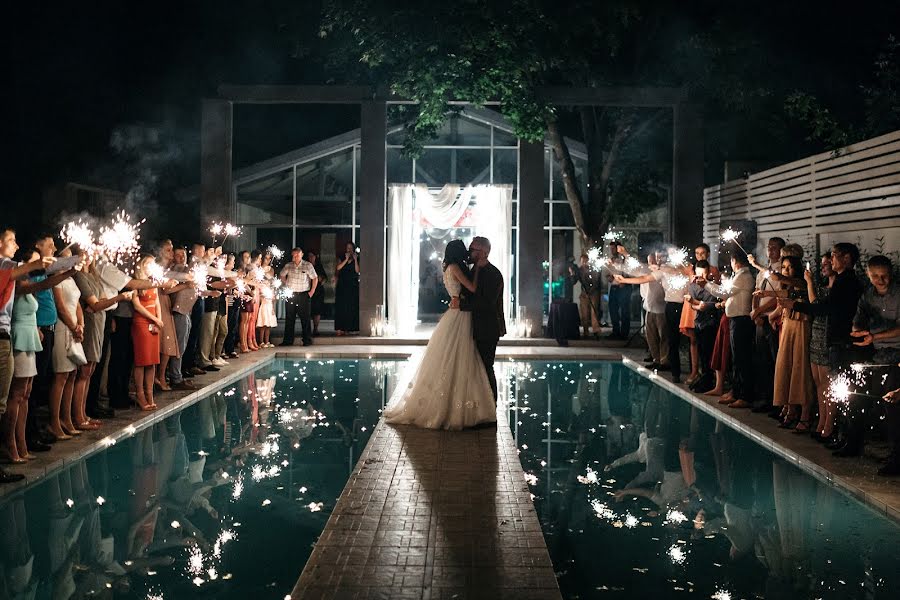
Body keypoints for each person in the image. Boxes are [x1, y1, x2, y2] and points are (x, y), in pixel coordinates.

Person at [383, 239, 497, 429]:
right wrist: (476, 270)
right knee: (460, 358)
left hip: (457, 314)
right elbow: (473, 289)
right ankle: (462, 407)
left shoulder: (449, 267)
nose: (468, 253)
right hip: (460, 315)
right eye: (466, 250)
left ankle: (460, 404)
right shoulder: (456, 267)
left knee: (455, 358)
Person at [842, 255, 900, 463]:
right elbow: (859, 318)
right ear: (868, 274)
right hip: (877, 354)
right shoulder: (868, 296)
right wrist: (857, 330)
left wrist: (874, 336)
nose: (880, 280)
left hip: (896, 356)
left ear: (890, 274)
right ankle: (854, 442)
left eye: (884, 276)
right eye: (875, 275)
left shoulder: (898, 294)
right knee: (859, 396)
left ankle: (896, 456)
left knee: (891, 404)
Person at [756, 255, 815, 430]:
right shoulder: (788, 285)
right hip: (788, 325)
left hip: (801, 326)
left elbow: (799, 288)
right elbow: (785, 294)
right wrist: (766, 293)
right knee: (786, 366)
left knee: (800, 367)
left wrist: (780, 277)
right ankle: (790, 407)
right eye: (784, 267)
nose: (786, 270)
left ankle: (804, 413)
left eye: (789, 267)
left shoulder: (803, 281)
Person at [705, 252, 756, 408]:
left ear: (735, 261)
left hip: (741, 320)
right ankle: (736, 391)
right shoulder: (739, 275)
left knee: (741, 359)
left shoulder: (743, 276)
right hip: (736, 320)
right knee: (737, 359)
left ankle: (744, 396)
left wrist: (705, 284)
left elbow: (724, 292)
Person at [460, 237, 505, 402]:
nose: (470, 253)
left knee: (486, 368)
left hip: (487, 328)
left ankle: (491, 407)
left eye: (473, 250)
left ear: (484, 253)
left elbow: (486, 303)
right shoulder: (474, 271)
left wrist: (462, 304)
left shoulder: (493, 274)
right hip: (476, 327)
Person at [131, 256, 162, 411]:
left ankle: (150, 395)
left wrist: (159, 320)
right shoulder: (136, 282)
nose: (151, 266)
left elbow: (157, 302)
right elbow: (136, 305)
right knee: (142, 360)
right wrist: (153, 319)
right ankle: (140, 394)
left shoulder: (153, 281)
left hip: (154, 322)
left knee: (152, 361)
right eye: (148, 263)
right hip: (142, 322)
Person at [279, 248, 318, 346]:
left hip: (304, 294)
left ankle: (307, 340)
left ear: (301, 255)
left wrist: (312, 291)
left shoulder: (307, 265)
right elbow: (282, 275)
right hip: (291, 294)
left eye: (296, 255)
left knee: (305, 318)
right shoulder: (289, 265)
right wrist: (286, 284)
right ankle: (287, 341)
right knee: (289, 318)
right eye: (293, 255)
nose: (294, 257)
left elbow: (315, 278)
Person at [570, 254, 601, 339]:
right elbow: (574, 282)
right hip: (584, 294)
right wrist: (572, 274)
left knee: (594, 312)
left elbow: (596, 281)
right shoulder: (579, 270)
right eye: (582, 261)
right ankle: (585, 331)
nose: (584, 263)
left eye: (585, 261)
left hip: (593, 293)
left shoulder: (592, 269)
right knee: (584, 313)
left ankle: (596, 331)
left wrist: (590, 291)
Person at [606, 241, 632, 340]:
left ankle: (624, 333)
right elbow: (608, 272)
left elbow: (630, 271)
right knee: (613, 310)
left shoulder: (625, 259)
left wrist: (625, 280)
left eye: (613, 248)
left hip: (624, 288)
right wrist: (609, 277)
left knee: (624, 310)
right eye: (611, 249)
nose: (612, 251)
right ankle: (615, 332)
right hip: (614, 287)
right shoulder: (611, 260)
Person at [334, 241, 360, 335]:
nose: (348, 249)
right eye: (347, 247)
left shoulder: (356, 258)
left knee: (351, 306)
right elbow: (338, 268)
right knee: (341, 306)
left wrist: (356, 260)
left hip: (352, 285)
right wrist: (346, 259)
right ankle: (340, 328)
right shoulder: (342, 257)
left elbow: (357, 271)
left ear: (353, 248)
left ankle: (350, 327)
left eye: (350, 247)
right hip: (342, 284)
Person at [307, 250, 327, 336]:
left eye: (312, 256)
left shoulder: (319, 266)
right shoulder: (306, 266)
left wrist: (321, 279)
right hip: (308, 290)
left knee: (317, 311)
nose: (311, 258)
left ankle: (315, 329)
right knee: (308, 311)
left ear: (315, 257)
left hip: (318, 291)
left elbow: (325, 278)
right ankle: (307, 329)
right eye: (309, 256)